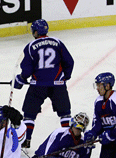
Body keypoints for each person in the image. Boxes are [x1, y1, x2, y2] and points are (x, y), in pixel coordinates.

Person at [13, 19, 74, 149]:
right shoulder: (57, 42)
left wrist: (20, 79)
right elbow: (69, 61)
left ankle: (26, 140)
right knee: (65, 113)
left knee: (29, 114)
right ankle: (70, 140)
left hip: (38, 85)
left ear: (35, 32)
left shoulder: (30, 46)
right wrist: (65, 77)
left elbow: (27, 70)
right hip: (58, 84)